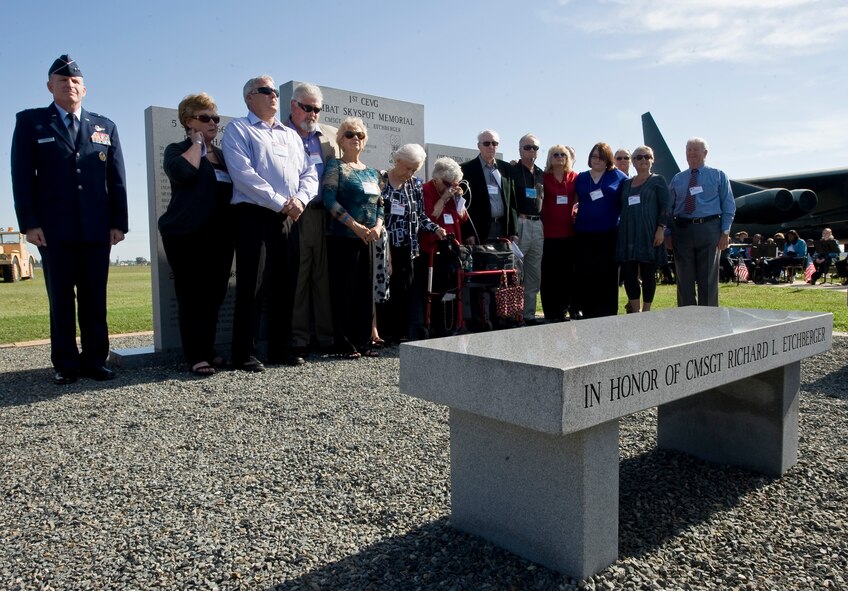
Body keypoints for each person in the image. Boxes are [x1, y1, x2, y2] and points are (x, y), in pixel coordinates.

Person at [11, 55, 128, 385]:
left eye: (75, 81)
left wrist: (118, 221)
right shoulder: (31, 122)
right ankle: (65, 363)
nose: (69, 85)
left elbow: (116, 178)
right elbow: (22, 176)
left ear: (84, 89)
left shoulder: (105, 126)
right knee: (61, 299)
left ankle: (95, 360)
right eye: (62, 81)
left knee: (95, 298)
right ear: (50, 87)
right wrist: (29, 223)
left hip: (96, 229)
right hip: (53, 231)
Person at [222, 75, 317, 372]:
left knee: (286, 282)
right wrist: (281, 201)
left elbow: (309, 173)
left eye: (275, 91)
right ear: (249, 97)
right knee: (253, 284)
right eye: (265, 90)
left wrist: (300, 200)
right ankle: (244, 352)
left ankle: (280, 348)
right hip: (254, 215)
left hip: (290, 216)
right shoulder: (238, 129)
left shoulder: (290, 135)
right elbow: (243, 175)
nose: (273, 95)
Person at [159, 93, 233, 376]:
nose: (213, 122)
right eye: (205, 118)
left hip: (220, 236)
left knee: (214, 296)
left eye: (215, 118)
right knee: (192, 296)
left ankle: (209, 349)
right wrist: (197, 143)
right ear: (188, 122)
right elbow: (183, 174)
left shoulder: (224, 156)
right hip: (185, 235)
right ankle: (195, 355)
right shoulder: (176, 150)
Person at [284, 83, 339, 361]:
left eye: (318, 108)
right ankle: (298, 338)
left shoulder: (327, 137)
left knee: (322, 275)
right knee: (299, 276)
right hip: (295, 214)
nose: (313, 113)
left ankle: (326, 337)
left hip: (323, 213)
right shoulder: (281, 134)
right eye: (308, 107)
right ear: (294, 106)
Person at [323, 117, 384, 359]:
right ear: (340, 139)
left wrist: (378, 226)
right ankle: (346, 344)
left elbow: (380, 203)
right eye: (349, 134)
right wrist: (355, 225)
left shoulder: (372, 172)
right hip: (343, 237)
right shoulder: (335, 167)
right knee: (344, 289)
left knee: (365, 291)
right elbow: (329, 200)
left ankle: (365, 341)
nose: (355, 138)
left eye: (359, 134)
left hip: (368, 238)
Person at [377, 144, 446, 343]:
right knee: (385, 289)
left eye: (414, 169)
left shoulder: (415, 184)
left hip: (409, 246)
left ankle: (401, 332)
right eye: (408, 168)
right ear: (397, 161)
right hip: (387, 246)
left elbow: (421, 216)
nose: (410, 173)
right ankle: (383, 331)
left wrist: (435, 229)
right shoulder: (381, 180)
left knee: (405, 290)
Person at [667, 137, 735, 307]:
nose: (691, 153)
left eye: (695, 150)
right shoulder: (677, 179)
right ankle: (686, 317)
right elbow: (668, 208)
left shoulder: (718, 176)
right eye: (688, 150)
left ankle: (709, 318)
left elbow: (728, 205)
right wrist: (668, 232)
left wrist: (725, 232)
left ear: (705, 153)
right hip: (682, 230)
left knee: (708, 279)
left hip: (709, 229)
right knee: (684, 279)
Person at [615, 145, 672, 313]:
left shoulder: (658, 180)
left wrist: (661, 228)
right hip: (628, 234)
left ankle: (646, 310)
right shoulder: (626, 184)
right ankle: (635, 309)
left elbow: (666, 207)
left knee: (648, 274)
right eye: (639, 157)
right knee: (629, 275)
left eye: (647, 156)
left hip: (649, 234)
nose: (643, 160)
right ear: (633, 162)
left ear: (652, 160)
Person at [573, 142, 627, 318]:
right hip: (584, 234)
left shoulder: (619, 177)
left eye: (601, 157)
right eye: (594, 156)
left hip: (608, 234)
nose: (596, 160)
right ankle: (587, 311)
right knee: (586, 273)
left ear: (608, 160)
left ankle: (608, 313)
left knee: (608, 275)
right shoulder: (580, 178)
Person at [416, 158, 468, 337]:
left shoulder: (452, 192)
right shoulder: (426, 190)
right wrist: (445, 197)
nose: (451, 187)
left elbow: (462, 217)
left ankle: (452, 322)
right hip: (432, 247)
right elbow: (430, 215)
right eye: (448, 183)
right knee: (434, 286)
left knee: (453, 286)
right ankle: (435, 324)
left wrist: (458, 198)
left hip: (452, 247)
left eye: (455, 184)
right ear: (437, 178)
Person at [540, 145, 578, 322]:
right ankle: (550, 312)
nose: (559, 157)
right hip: (547, 235)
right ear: (549, 158)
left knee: (566, 276)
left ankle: (563, 311)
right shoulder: (543, 177)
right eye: (555, 154)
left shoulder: (575, 178)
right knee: (549, 276)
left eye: (563, 154)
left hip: (569, 235)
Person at [510, 133, 545, 324]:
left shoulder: (541, 173)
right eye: (527, 147)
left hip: (537, 224)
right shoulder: (512, 170)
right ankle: (513, 314)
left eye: (535, 148)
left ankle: (528, 314)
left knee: (533, 272)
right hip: (520, 222)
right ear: (520, 149)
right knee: (516, 270)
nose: (531, 151)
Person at [460, 130, 515, 244]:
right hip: (479, 230)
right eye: (486, 143)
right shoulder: (466, 169)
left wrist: (514, 231)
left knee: (502, 261)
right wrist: (468, 232)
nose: (491, 146)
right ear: (479, 146)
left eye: (494, 143)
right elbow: (462, 205)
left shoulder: (506, 168)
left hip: (503, 229)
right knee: (481, 262)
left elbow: (512, 201)